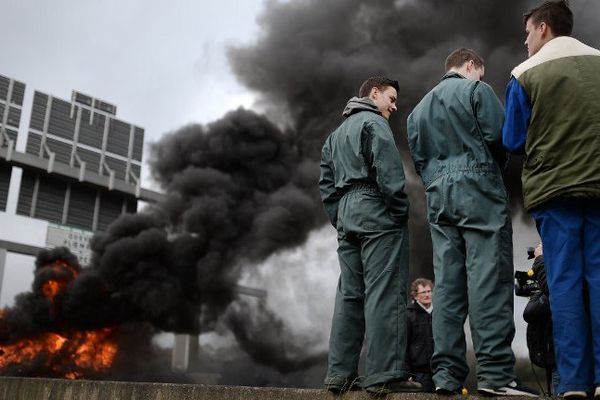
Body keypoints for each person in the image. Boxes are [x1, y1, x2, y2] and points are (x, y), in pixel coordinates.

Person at [407, 48, 536, 396]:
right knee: (488, 279)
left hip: (438, 197)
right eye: (480, 72)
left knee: (447, 286)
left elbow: (419, 161)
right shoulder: (476, 90)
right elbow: (501, 139)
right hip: (478, 189)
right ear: (470, 66)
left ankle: (446, 376)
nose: (481, 78)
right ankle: (495, 376)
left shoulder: (417, 111)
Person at [502, 1, 600, 398]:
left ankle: (574, 382)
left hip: (555, 192)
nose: (525, 41)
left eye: (527, 33)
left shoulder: (524, 74)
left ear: (543, 28)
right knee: (598, 278)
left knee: (563, 283)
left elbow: (513, 140)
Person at [319, 76, 421, 394]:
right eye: (390, 98)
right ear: (373, 93)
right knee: (384, 292)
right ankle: (383, 374)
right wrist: (398, 212)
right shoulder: (374, 124)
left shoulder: (334, 137)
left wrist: (340, 217)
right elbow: (389, 174)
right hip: (377, 209)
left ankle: (339, 375)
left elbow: (325, 184)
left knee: (350, 295)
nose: (393, 106)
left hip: (346, 215)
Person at [405, 278, 435, 392]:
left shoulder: (438, 312)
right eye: (424, 292)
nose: (428, 295)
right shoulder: (409, 315)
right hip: (419, 373)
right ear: (415, 296)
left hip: (438, 371)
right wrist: (407, 372)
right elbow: (404, 345)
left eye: (429, 291)